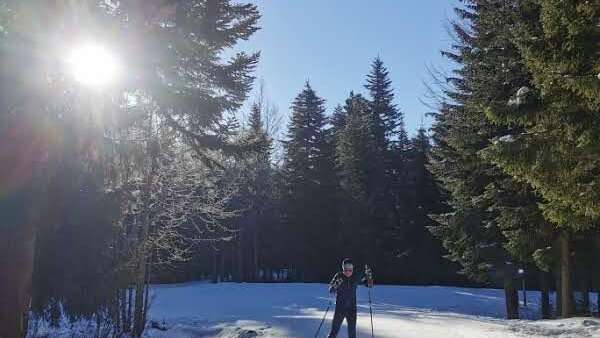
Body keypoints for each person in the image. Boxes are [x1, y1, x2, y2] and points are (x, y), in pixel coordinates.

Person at [327, 258, 374, 338]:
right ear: (343, 268)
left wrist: (369, 276)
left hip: (352, 309)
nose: (348, 271)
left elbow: (369, 284)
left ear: (352, 268)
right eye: (346, 268)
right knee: (334, 332)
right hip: (340, 309)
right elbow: (331, 290)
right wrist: (336, 284)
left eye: (350, 269)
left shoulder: (356, 276)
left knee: (352, 334)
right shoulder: (339, 276)